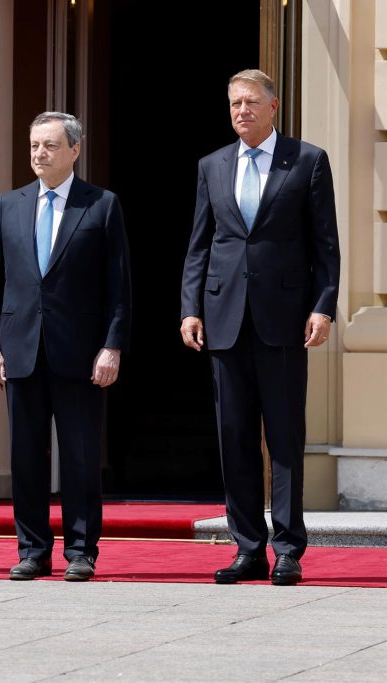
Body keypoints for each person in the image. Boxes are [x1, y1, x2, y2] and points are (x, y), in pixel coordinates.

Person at [180, 69, 340, 587]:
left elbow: (325, 247)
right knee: (235, 437)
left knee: (286, 437)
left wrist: (323, 307)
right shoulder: (212, 165)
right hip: (225, 320)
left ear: (274, 106)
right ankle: (248, 548)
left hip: (285, 321)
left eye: (250, 102)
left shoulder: (308, 160)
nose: (241, 111)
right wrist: (191, 307)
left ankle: (288, 549)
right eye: (233, 104)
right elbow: (201, 245)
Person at [0, 112, 131, 582]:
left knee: (81, 455)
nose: (39, 154)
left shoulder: (101, 205)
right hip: (21, 349)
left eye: (48, 145)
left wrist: (112, 346)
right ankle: (32, 550)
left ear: (74, 150)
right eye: (33, 146)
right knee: (26, 455)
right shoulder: (10, 205)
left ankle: (82, 550)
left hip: (80, 353)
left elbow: (119, 287)